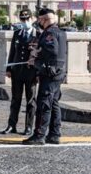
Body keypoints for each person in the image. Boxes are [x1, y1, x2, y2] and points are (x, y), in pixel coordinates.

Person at [23, 8, 68, 145]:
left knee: (44, 104)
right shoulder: (61, 32)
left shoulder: (49, 33)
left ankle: (39, 135)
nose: (39, 23)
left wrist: (35, 59)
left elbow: (51, 52)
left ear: (44, 19)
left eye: (40, 20)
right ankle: (54, 134)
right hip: (58, 73)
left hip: (50, 73)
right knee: (54, 103)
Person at [2, 9, 37, 136]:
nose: (25, 22)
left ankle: (29, 126)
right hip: (17, 71)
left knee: (30, 100)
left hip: (31, 72)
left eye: (27, 19)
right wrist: (8, 69)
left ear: (32, 19)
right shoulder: (17, 34)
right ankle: (12, 125)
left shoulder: (37, 34)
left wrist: (38, 73)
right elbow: (12, 52)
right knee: (15, 99)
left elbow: (40, 54)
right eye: (23, 19)